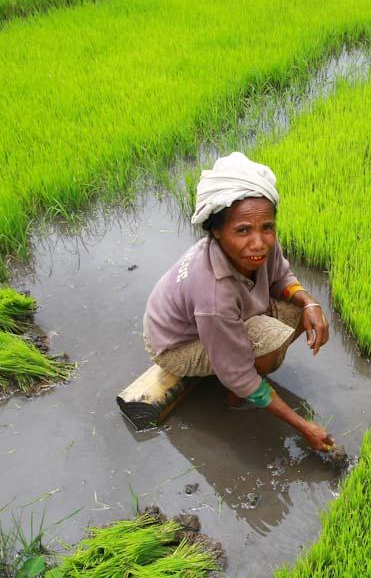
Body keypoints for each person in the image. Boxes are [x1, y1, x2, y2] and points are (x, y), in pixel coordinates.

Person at [143, 152, 335, 452]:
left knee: (298, 311)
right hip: (177, 345)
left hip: (218, 320)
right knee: (265, 343)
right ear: (216, 231)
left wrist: (311, 304)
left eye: (267, 227)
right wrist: (303, 427)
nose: (258, 242)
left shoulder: (260, 245)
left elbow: (281, 277)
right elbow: (238, 372)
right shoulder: (213, 293)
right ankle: (236, 398)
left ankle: (246, 371)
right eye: (243, 230)